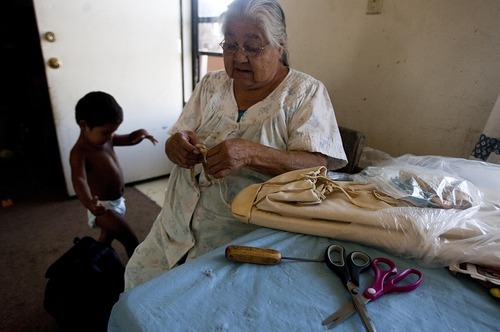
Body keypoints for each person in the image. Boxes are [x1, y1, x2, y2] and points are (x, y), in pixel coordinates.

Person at [124, 0, 347, 289]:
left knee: (198, 307)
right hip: (175, 223)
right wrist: (175, 146)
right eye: (230, 45)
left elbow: (317, 166)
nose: (239, 57)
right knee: (138, 287)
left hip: (239, 235)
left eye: (252, 47)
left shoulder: (305, 93)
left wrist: (252, 153)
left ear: (280, 46)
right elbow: (177, 135)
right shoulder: (211, 84)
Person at [70, 91, 158, 257]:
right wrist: (89, 203)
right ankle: (137, 273)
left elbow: (129, 139)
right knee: (130, 238)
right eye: (105, 132)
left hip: (117, 201)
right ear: (84, 125)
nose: (110, 136)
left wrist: (141, 132)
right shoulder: (80, 152)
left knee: (106, 238)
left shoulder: (106, 138)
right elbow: (79, 179)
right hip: (102, 208)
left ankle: (92, 261)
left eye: (113, 132)